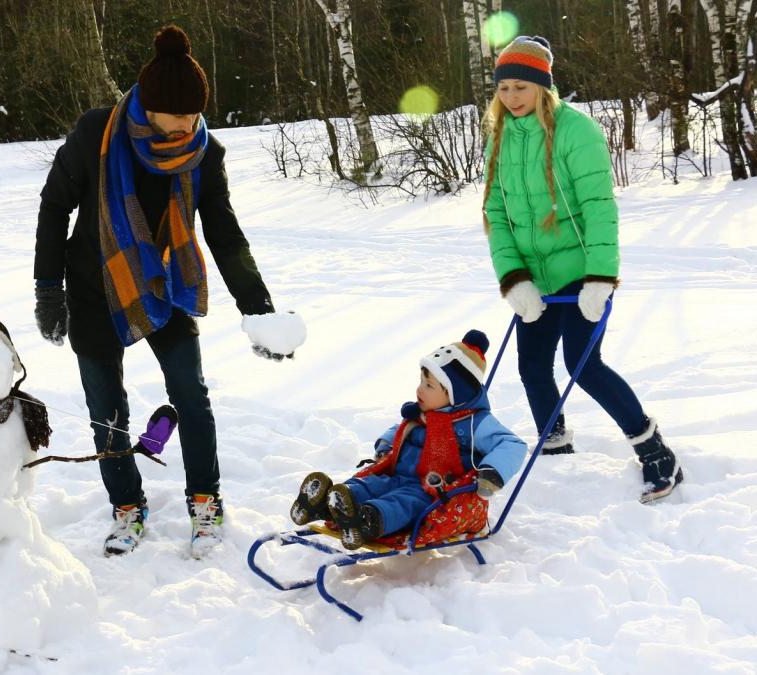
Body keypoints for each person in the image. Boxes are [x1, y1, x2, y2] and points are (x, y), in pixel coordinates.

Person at [33, 25, 300, 558]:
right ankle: (126, 507)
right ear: (148, 106)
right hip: (93, 286)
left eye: (194, 114)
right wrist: (48, 288)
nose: (186, 124)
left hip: (166, 285)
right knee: (105, 408)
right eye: (176, 114)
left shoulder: (204, 152)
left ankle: (206, 499)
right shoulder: (95, 135)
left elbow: (224, 232)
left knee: (191, 396)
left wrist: (258, 309)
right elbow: (53, 207)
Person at [481, 36, 684, 503]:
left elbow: (598, 208)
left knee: (581, 364)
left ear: (543, 87)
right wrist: (514, 279)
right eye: (504, 88)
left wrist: (599, 277)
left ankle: (655, 452)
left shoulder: (577, 131)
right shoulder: (499, 134)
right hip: (535, 278)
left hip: (580, 271)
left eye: (521, 87)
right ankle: (554, 445)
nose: (511, 97)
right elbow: (495, 211)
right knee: (531, 365)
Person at [290, 330, 526, 551]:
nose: (419, 390)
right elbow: (401, 429)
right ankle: (328, 503)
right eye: (421, 381)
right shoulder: (423, 412)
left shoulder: (475, 422)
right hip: (397, 475)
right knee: (372, 485)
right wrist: (386, 443)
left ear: (455, 395)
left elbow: (512, 444)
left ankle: (368, 520)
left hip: (431, 490)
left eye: (429, 385)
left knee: (404, 503)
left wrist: (491, 472)